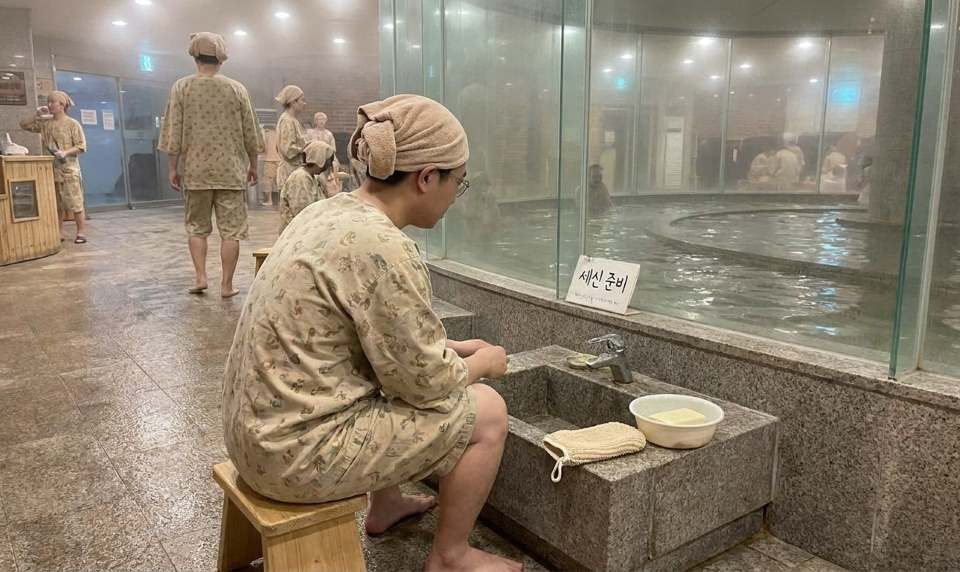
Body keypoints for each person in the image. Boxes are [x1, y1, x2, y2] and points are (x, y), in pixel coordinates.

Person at [223, 94, 520, 571]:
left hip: (251, 436)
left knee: (378, 378)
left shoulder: (326, 211)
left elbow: (366, 337)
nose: (454, 197)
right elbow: (425, 384)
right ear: (427, 177)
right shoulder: (385, 246)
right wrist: (482, 362)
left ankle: (386, 504)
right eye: (458, 183)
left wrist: (447, 347)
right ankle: (451, 555)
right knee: (488, 412)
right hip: (292, 457)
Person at [157, 32, 263, 297]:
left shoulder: (182, 87)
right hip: (231, 171)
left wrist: (173, 167)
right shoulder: (236, 89)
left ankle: (201, 277)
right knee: (231, 231)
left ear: (194, 56)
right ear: (221, 59)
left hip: (196, 171)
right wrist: (253, 164)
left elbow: (173, 130)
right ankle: (226, 285)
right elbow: (250, 132)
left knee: (197, 227)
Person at [20, 91, 87, 243]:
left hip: (69, 171)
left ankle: (81, 232)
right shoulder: (45, 123)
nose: (50, 105)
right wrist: (37, 114)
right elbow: (24, 125)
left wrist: (65, 152)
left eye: (53, 102)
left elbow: (81, 146)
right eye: (48, 101)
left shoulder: (72, 124)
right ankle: (59, 233)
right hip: (51, 170)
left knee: (76, 203)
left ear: (62, 105)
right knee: (56, 204)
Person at [278, 140, 336, 234]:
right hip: (297, 233)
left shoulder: (313, 178)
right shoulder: (300, 178)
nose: (329, 165)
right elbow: (302, 212)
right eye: (328, 161)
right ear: (319, 159)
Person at [275, 85, 307, 189]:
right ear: (293, 102)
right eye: (302, 100)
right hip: (289, 175)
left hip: (295, 173)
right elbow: (287, 150)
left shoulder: (293, 120)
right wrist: (306, 148)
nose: (304, 103)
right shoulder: (287, 121)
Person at [260, 126, 281, 205]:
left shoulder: (265, 133)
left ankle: (269, 200)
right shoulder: (279, 132)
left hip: (269, 159)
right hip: (279, 159)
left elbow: (262, 147)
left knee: (268, 180)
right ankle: (278, 200)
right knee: (278, 180)